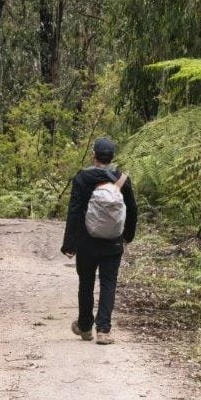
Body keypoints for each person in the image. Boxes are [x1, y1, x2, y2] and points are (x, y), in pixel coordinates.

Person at [61, 137, 137, 344]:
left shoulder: (82, 178)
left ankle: (85, 327)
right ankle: (104, 330)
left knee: (85, 282)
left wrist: (69, 244)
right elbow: (131, 210)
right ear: (112, 157)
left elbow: (75, 212)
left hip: (87, 241)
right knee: (108, 283)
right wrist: (127, 236)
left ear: (94, 155)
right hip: (113, 242)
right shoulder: (122, 179)